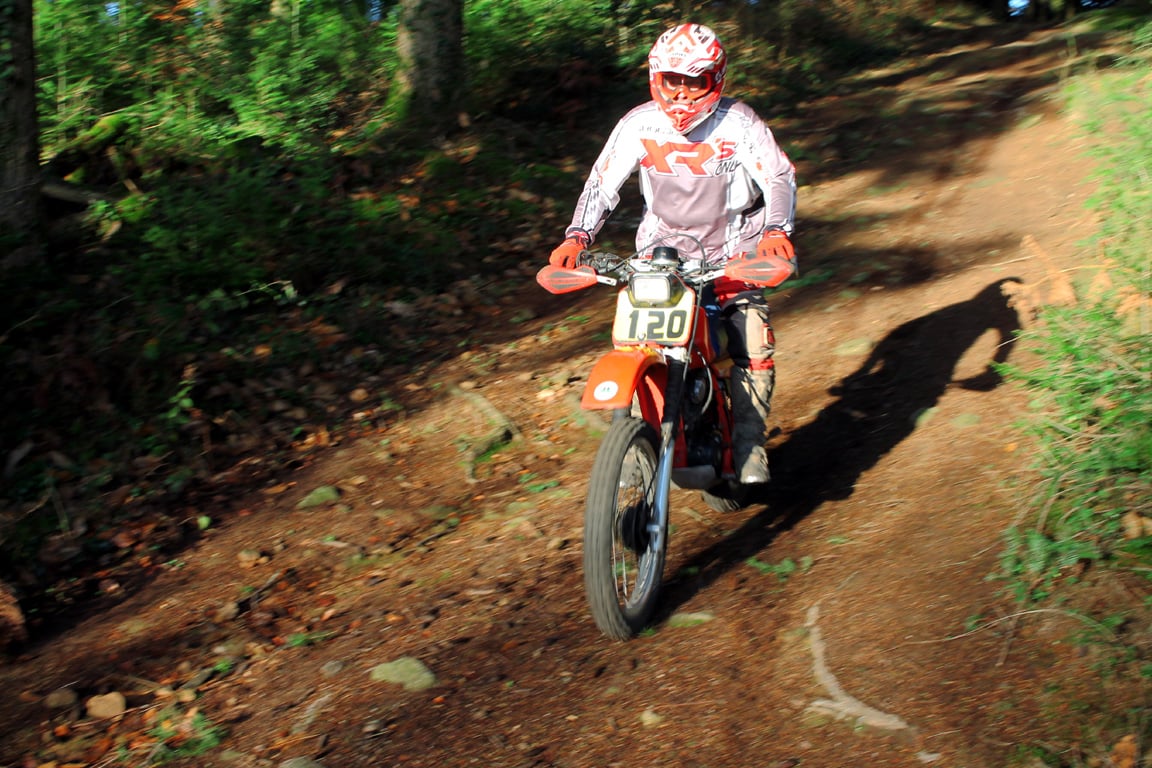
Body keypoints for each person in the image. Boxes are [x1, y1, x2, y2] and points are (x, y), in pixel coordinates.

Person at [547, 22, 797, 484]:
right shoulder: (639, 124)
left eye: (693, 81)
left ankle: (748, 442)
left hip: (733, 252)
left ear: (715, 79)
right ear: (655, 79)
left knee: (751, 334)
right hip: (660, 257)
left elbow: (778, 177)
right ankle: (637, 436)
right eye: (671, 80)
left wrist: (776, 230)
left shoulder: (739, 122)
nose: (681, 94)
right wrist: (576, 236)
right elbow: (602, 182)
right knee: (635, 337)